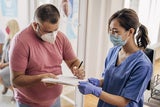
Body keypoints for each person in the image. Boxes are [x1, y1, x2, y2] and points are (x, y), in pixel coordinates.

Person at [9, 4, 85, 107]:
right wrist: (41, 78)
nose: (53, 35)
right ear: (35, 25)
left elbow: (73, 62)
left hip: (55, 100)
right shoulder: (20, 42)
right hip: (29, 103)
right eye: (48, 31)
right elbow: (16, 81)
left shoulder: (61, 37)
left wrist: (78, 69)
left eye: (56, 30)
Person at [78, 8, 152, 107]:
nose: (112, 35)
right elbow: (111, 80)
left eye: (116, 31)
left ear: (130, 32)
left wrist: (95, 91)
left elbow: (124, 102)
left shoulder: (143, 65)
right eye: (110, 30)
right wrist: (99, 83)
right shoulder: (113, 51)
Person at [0, 19, 20, 102]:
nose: (6, 29)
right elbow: (4, 53)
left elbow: (15, 59)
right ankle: (6, 85)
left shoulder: (17, 41)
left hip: (13, 65)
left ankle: (15, 92)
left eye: (7, 27)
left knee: (0, 75)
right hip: (6, 63)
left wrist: (4, 65)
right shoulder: (8, 39)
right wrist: (1, 62)